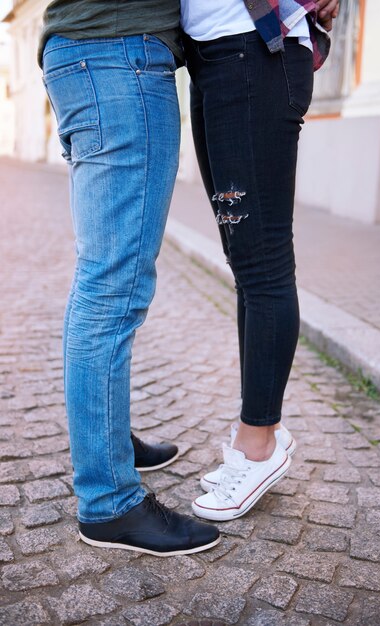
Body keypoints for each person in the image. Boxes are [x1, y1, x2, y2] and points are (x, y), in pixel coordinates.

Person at [38, 0, 219, 555]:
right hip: (119, 57)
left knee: (103, 277)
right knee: (111, 288)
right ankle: (109, 502)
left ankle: (106, 442)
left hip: (84, 55)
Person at [180, 0, 338, 521]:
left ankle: (258, 444)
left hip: (255, 54)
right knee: (245, 263)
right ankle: (260, 427)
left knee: (264, 263)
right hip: (214, 59)